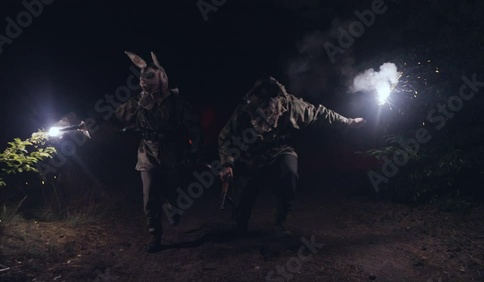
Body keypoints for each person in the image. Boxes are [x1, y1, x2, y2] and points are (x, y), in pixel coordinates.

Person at [218, 77, 365, 238]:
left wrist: (349, 122)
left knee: (289, 173)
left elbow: (320, 113)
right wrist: (227, 164)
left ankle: (280, 223)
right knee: (246, 189)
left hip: (280, 150)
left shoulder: (292, 106)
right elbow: (226, 137)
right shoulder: (245, 111)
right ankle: (240, 224)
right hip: (252, 155)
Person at [115, 51, 199, 251]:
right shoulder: (140, 101)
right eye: (143, 78)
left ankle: (174, 207)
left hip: (172, 153)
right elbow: (117, 117)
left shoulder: (176, 102)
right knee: (149, 196)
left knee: (172, 193)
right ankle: (155, 236)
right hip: (147, 153)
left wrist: (194, 149)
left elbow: (193, 125)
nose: (144, 82)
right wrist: (92, 124)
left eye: (150, 77)